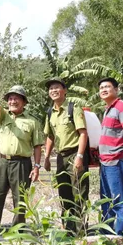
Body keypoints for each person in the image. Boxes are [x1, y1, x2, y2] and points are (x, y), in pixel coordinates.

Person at [0, 85, 44, 235]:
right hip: (2, 162)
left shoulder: (33, 121)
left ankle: (17, 232)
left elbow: (37, 146)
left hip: (22, 163)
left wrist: (37, 166)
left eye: (16, 98)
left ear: (24, 102)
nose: (12, 101)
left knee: (20, 199)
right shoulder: (3, 116)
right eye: (10, 98)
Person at [43, 78, 89, 236]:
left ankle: (80, 230)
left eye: (57, 87)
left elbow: (83, 133)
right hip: (61, 158)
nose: (53, 90)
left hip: (75, 153)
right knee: (64, 193)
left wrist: (80, 156)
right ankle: (68, 229)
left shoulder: (73, 108)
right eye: (51, 89)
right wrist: (47, 157)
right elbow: (50, 136)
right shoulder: (50, 112)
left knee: (79, 193)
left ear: (65, 90)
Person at [98, 77, 123, 239]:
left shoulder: (122, 107)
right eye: (101, 87)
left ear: (116, 90)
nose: (104, 89)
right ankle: (106, 233)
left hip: (117, 161)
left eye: (107, 86)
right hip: (105, 162)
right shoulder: (108, 109)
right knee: (106, 200)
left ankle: (122, 236)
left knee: (119, 200)